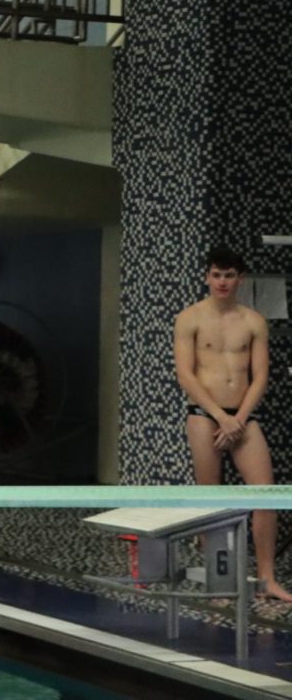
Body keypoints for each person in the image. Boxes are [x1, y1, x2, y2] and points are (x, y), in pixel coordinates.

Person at [174, 246, 290, 601]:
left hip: (244, 417)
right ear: (207, 277)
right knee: (213, 500)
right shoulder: (189, 318)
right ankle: (217, 578)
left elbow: (260, 377)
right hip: (205, 415)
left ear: (240, 279)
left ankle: (267, 579)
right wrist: (221, 416)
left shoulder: (254, 321)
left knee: (265, 497)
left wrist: (238, 419)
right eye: (216, 274)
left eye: (229, 275)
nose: (222, 282)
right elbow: (186, 374)